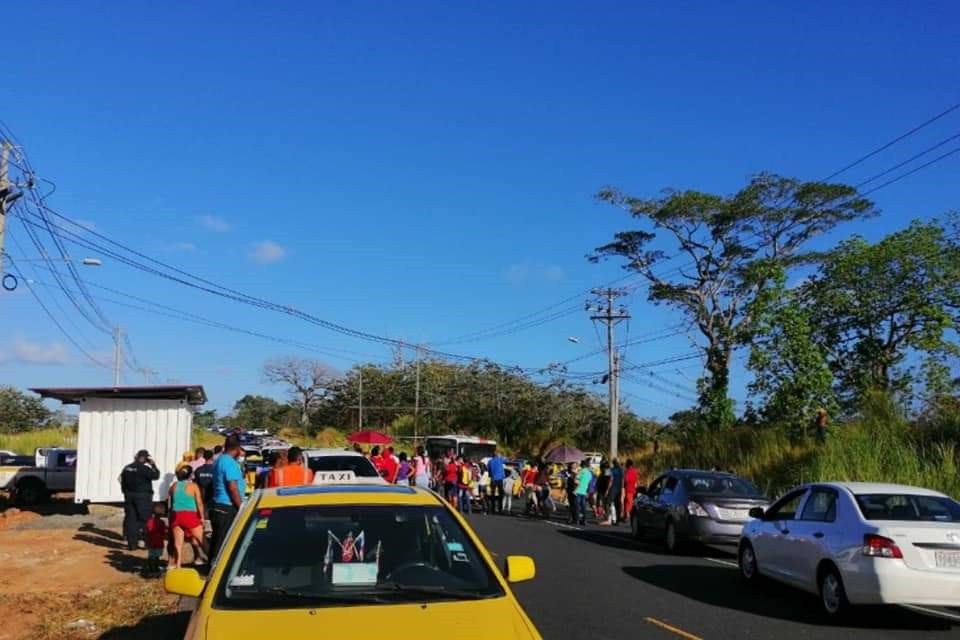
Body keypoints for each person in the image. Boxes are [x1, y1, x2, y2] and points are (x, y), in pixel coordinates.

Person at [209, 435, 244, 559]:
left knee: (217, 540)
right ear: (238, 448)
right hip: (227, 506)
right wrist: (241, 507)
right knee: (224, 542)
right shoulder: (229, 462)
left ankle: (212, 565)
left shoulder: (219, 460)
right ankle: (217, 568)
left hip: (218, 505)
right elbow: (232, 487)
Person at [119, 449, 160, 551]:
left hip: (129, 496)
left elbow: (121, 481)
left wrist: (126, 493)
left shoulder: (127, 468)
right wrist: (153, 465)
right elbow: (156, 475)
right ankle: (147, 542)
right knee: (145, 520)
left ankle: (132, 544)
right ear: (145, 459)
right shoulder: (144, 469)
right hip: (143, 498)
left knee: (131, 520)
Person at [167, 465, 206, 569]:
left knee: (178, 544)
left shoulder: (173, 486)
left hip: (176, 515)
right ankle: (212, 561)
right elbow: (199, 503)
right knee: (202, 540)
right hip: (189, 515)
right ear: (190, 475)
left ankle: (178, 565)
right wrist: (202, 517)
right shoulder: (193, 486)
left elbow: (170, 503)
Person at [143, 503, 168, 577]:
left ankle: (151, 569)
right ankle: (156, 569)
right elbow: (164, 532)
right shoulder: (162, 523)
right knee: (157, 557)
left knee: (151, 556)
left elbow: (146, 531)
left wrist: (146, 540)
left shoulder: (149, 521)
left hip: (150, 542)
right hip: (158, 542)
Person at [574, 460, 593, 526]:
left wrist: (574, 476)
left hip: (578, 490)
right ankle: (584, 520)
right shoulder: (589, 473)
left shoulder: (581, 471)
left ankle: (577, 520)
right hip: (584, 491)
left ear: (583, 465)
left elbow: (576, 481)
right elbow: (590, 482)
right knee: (583, 506)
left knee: (577, 506)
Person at [487, 450, 505, 514]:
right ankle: (500, 509)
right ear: (497, 455)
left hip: (493, 479)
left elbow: (489, 470)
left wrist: (491, 475)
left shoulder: (490, 461)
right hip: (500, 479)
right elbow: (508, 460)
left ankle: (493, 508)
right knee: (500, 494)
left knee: (493, 494)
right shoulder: (500, 460)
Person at [623, 459, 639, 523]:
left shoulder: (627, 471)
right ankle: (626, 515)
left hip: (628, 488)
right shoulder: (635, 471)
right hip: (633, 489)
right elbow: (637, 480)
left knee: (628, 502)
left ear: (628, 464)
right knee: (629, 502)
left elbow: (626, 480)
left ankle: (627, 514)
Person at [609, 459, 624, 525]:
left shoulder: (612, 470)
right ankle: (618, 519)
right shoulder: (621, 470)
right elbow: (623, 480)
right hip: (619, 488)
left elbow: (610, 480)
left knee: (610, 503)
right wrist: (622, 488)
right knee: (618, 504)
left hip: (613, 488)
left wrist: (607, 489)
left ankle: (612, 519)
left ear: (613, 463)